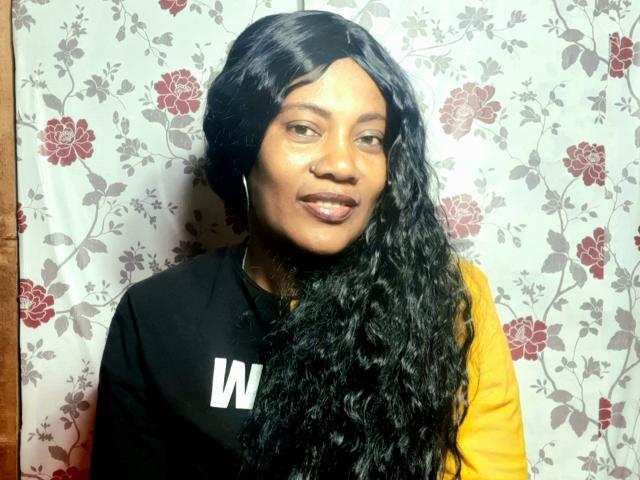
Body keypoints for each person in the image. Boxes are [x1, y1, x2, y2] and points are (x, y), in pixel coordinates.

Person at [90, 10, 526, 480]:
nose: (342, 164)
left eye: (369, 137)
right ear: (244, 146)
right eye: (303, 128)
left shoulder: (447, 297)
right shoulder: (156, 314)